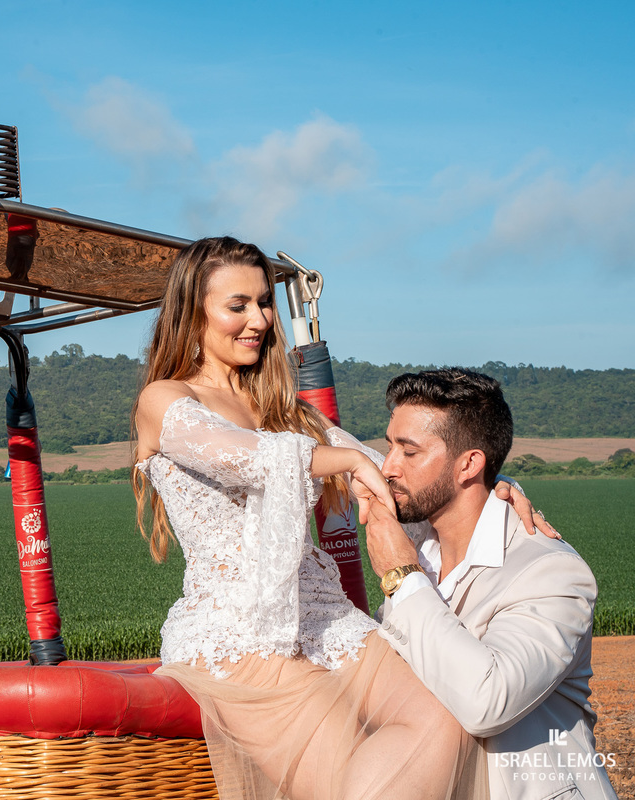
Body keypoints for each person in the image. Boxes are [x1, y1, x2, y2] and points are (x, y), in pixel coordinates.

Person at [132, 237, 543, 800]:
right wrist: (344, 461)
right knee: (337, 768)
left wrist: (486, 485)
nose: (260, 320)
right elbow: (245, 457)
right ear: (192, 312)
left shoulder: (288, 411)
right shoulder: (165, 399)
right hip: (241, 629)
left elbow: (388, 475)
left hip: (326, 617)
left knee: (446, 722)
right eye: (238, 305)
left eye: (264, 302)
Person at [365, 369, 617, 800]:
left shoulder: (553, 572)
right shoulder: (421, 547)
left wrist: (401, 578)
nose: (388, 467)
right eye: (389, 446)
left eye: (409, 451)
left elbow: (487, 703)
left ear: (469, 464)